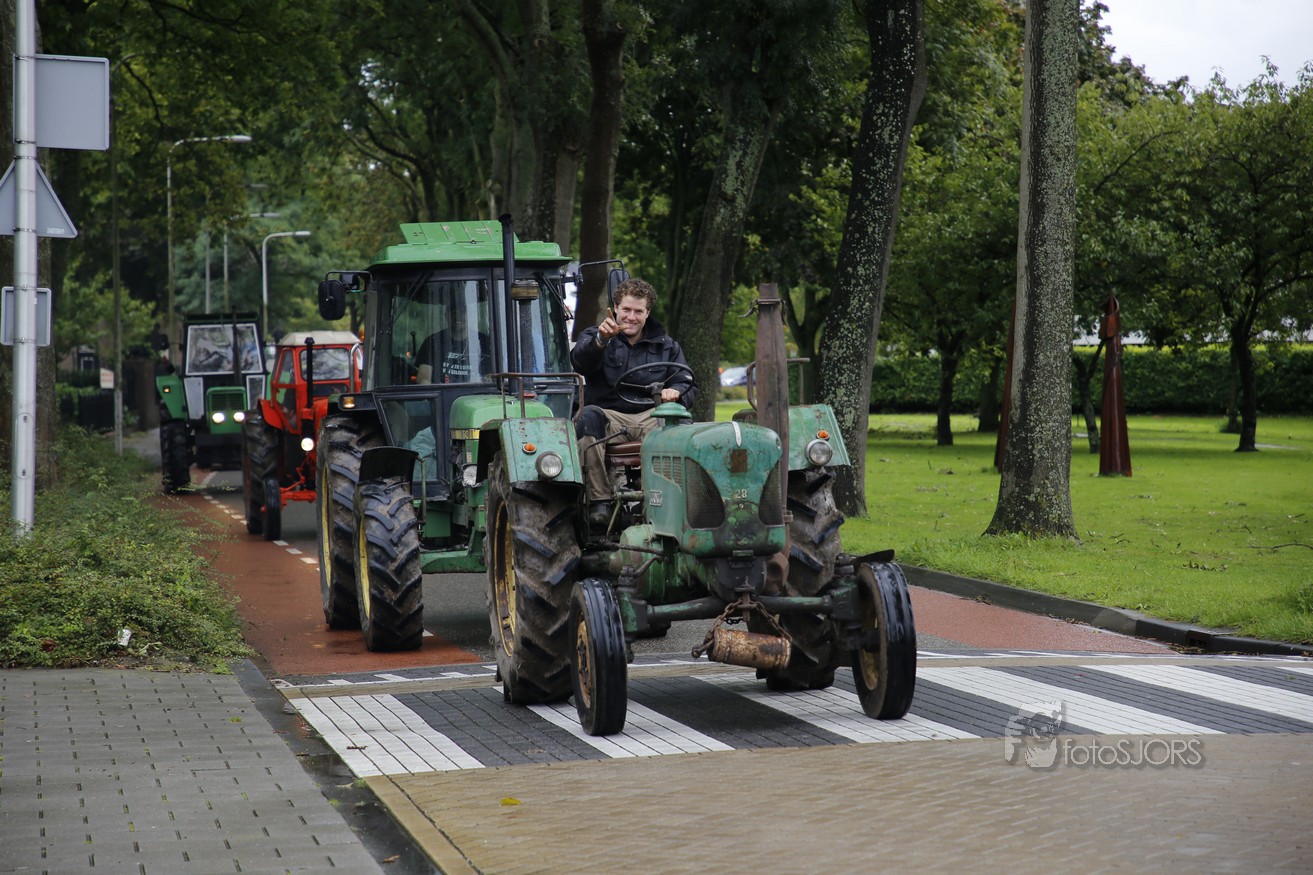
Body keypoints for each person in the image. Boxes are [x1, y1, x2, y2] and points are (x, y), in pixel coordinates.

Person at [570, 278, 698, 528]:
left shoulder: (667, 346)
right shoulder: (594, 336)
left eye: (638, 311)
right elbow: (581, 362)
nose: (631, 317)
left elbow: (687, 381)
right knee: (587, 417)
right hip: (609, 416)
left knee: (680, 425)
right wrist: (601, 340)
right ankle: (599, 502)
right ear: (615, 308)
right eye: (626, 309)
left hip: (651, 415)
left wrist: (676, 392)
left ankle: (664, 500)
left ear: (647, 313)